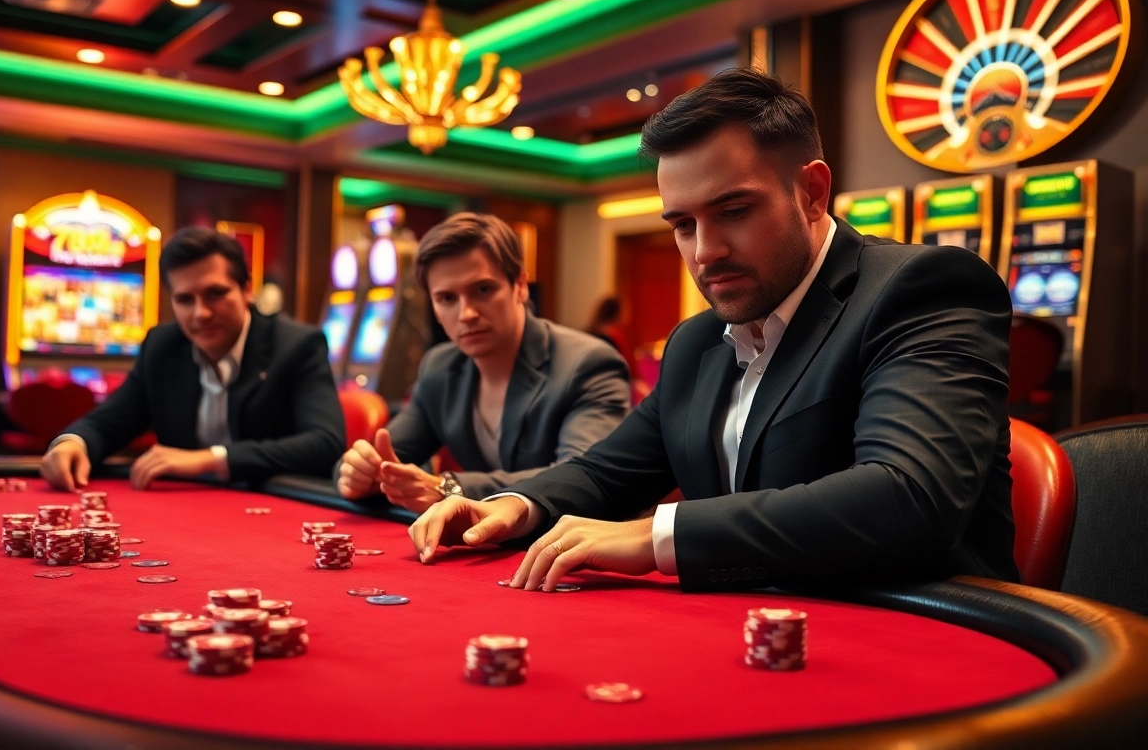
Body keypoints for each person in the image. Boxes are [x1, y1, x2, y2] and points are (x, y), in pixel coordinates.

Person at [408, 68, 1018, 592]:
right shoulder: (697, 342)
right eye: (682, 224)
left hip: (929, 636)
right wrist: (512, 506)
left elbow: (906, 500)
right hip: (758, 630)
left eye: (733, 212)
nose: (705, 252)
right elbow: (605, 473)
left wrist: (659, 536)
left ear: (811, 192)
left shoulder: (923, 289)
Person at [336, 213, 631, 512]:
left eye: (482, 290)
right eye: (447, 299)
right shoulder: (439, 366)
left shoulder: (589, 364)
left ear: (520, 285)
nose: (466, 314)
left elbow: (579, 477)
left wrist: (448, 488)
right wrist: (358, 472)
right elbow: (384, 458)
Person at [40, 227, 345, 491]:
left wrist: (210, 459)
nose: (201, 313)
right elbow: (107, 423)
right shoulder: (162, 347)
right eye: (185, 299)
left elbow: (324, 444)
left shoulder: (297, 345)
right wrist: (72, 442)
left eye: (215, 293)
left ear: (247, 289)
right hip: (185, 514)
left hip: (277, 512)